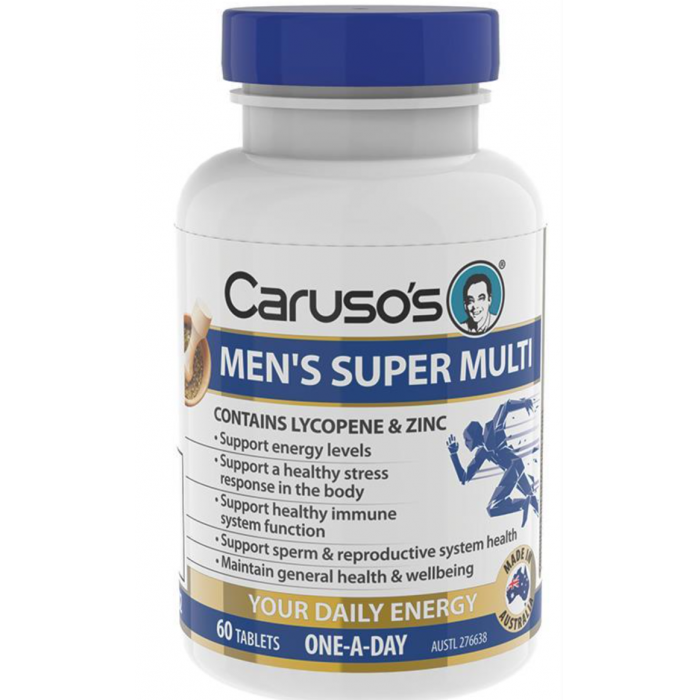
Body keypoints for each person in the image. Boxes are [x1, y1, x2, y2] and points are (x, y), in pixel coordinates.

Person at [446, 397, 540, 526]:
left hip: (515, 466)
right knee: (534, 500)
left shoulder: (491, 430)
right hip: (515, 469)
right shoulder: (482, 452)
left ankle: (524, 504)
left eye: (467, 439)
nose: (465, 443)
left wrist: (523, 403)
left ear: (474, 436)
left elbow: (505, 407)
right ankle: (526, 503)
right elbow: (464, 478)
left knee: (493, 508)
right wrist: (453, 454)